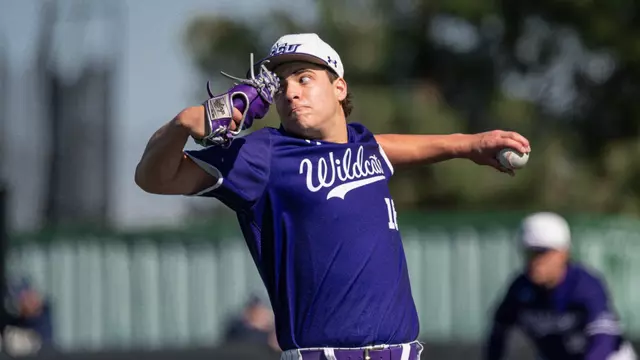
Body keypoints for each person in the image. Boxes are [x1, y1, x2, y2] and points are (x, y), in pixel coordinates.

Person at [135, 33, 530, 360]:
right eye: (281, 85)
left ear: (339, 87)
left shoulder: (364, 145)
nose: (290, 92)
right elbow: (154, 179)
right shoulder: (263, 154)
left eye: (304, 78)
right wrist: (184, 123)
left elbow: (397, 147)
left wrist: (469, 143)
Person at [484, 212, 637, 360]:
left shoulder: (584, 285)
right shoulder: (520, 289)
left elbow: (603, 340)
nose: (534, 261)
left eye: (542, 253)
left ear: (563, 253)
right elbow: (499, 330)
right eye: (529, 253)